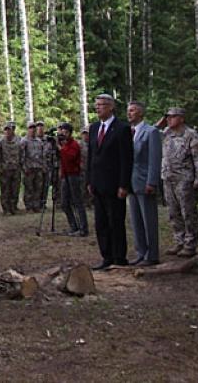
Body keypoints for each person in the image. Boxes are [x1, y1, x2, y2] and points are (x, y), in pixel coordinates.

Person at [86, 94, 133, 270]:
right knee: (101, 223)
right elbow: (92, 155)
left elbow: (126, 159)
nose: (98, 108)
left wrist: (123, 184)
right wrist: (89, 180)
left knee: (116, 221)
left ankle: (119, 258)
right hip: (97, 183)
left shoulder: (121, 128)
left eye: (102, 105)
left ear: (111, 107)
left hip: (114, 185)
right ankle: (106, 256)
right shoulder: (94, 128)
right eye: (96, 105)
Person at [160, 107, 198, 257]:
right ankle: (179, 241)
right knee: (173, 212)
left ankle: (190, 243)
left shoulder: (191, 135)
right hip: (168, 178)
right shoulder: (166, 133)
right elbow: (152, 133)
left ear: (181, 118)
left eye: (172, 117)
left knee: (188, 213)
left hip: (185, 180)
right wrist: (161, 123)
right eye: (167, 117)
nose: (168, 119)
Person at [127, 101, 161, 265]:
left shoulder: (151, 131)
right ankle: (140, 252)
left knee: (149, 220)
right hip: (131, 183)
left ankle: (152, 255)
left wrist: (152, 182)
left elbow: (154, 160)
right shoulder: (129, 132)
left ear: (140, 113)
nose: (129, 113)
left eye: (132, 110)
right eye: (128, 111)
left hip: (145, 181)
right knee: (136, 220)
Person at [57, 122, 88, 236]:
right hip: (65, 175)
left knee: (77, 201)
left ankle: (83, 228)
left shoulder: (74, 144)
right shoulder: (64, 145)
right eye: (62, 132)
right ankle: (73, 226)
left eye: (65, 132)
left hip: (74, 175)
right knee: (64, 203)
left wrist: (60, 149)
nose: (63, 135)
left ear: (70, 133)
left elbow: (70, 157)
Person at [0, 122, 22, 215]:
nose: (7, 131)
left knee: (15, 190)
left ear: (12, 130)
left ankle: (13, 207)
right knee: (5, 190)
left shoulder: (19, 140)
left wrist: (21, 165)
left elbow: (21, 153)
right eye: (6, 130)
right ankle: (6, 209)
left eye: (9, 129)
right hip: (5, 170)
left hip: (16, 169)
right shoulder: (0, 142)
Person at [22, 123, 45, 212]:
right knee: (29, 188)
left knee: (38, 188)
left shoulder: (39, 141)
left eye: (34, 128)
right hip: (29, 168)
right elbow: (22, 156)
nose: (33, 130)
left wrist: (43, 166)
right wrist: (24, 167)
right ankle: (29, 206)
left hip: (38, 167)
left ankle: (36, 205)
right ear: (28, 129)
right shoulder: (24, 141)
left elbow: (42, 155)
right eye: (31, 128)